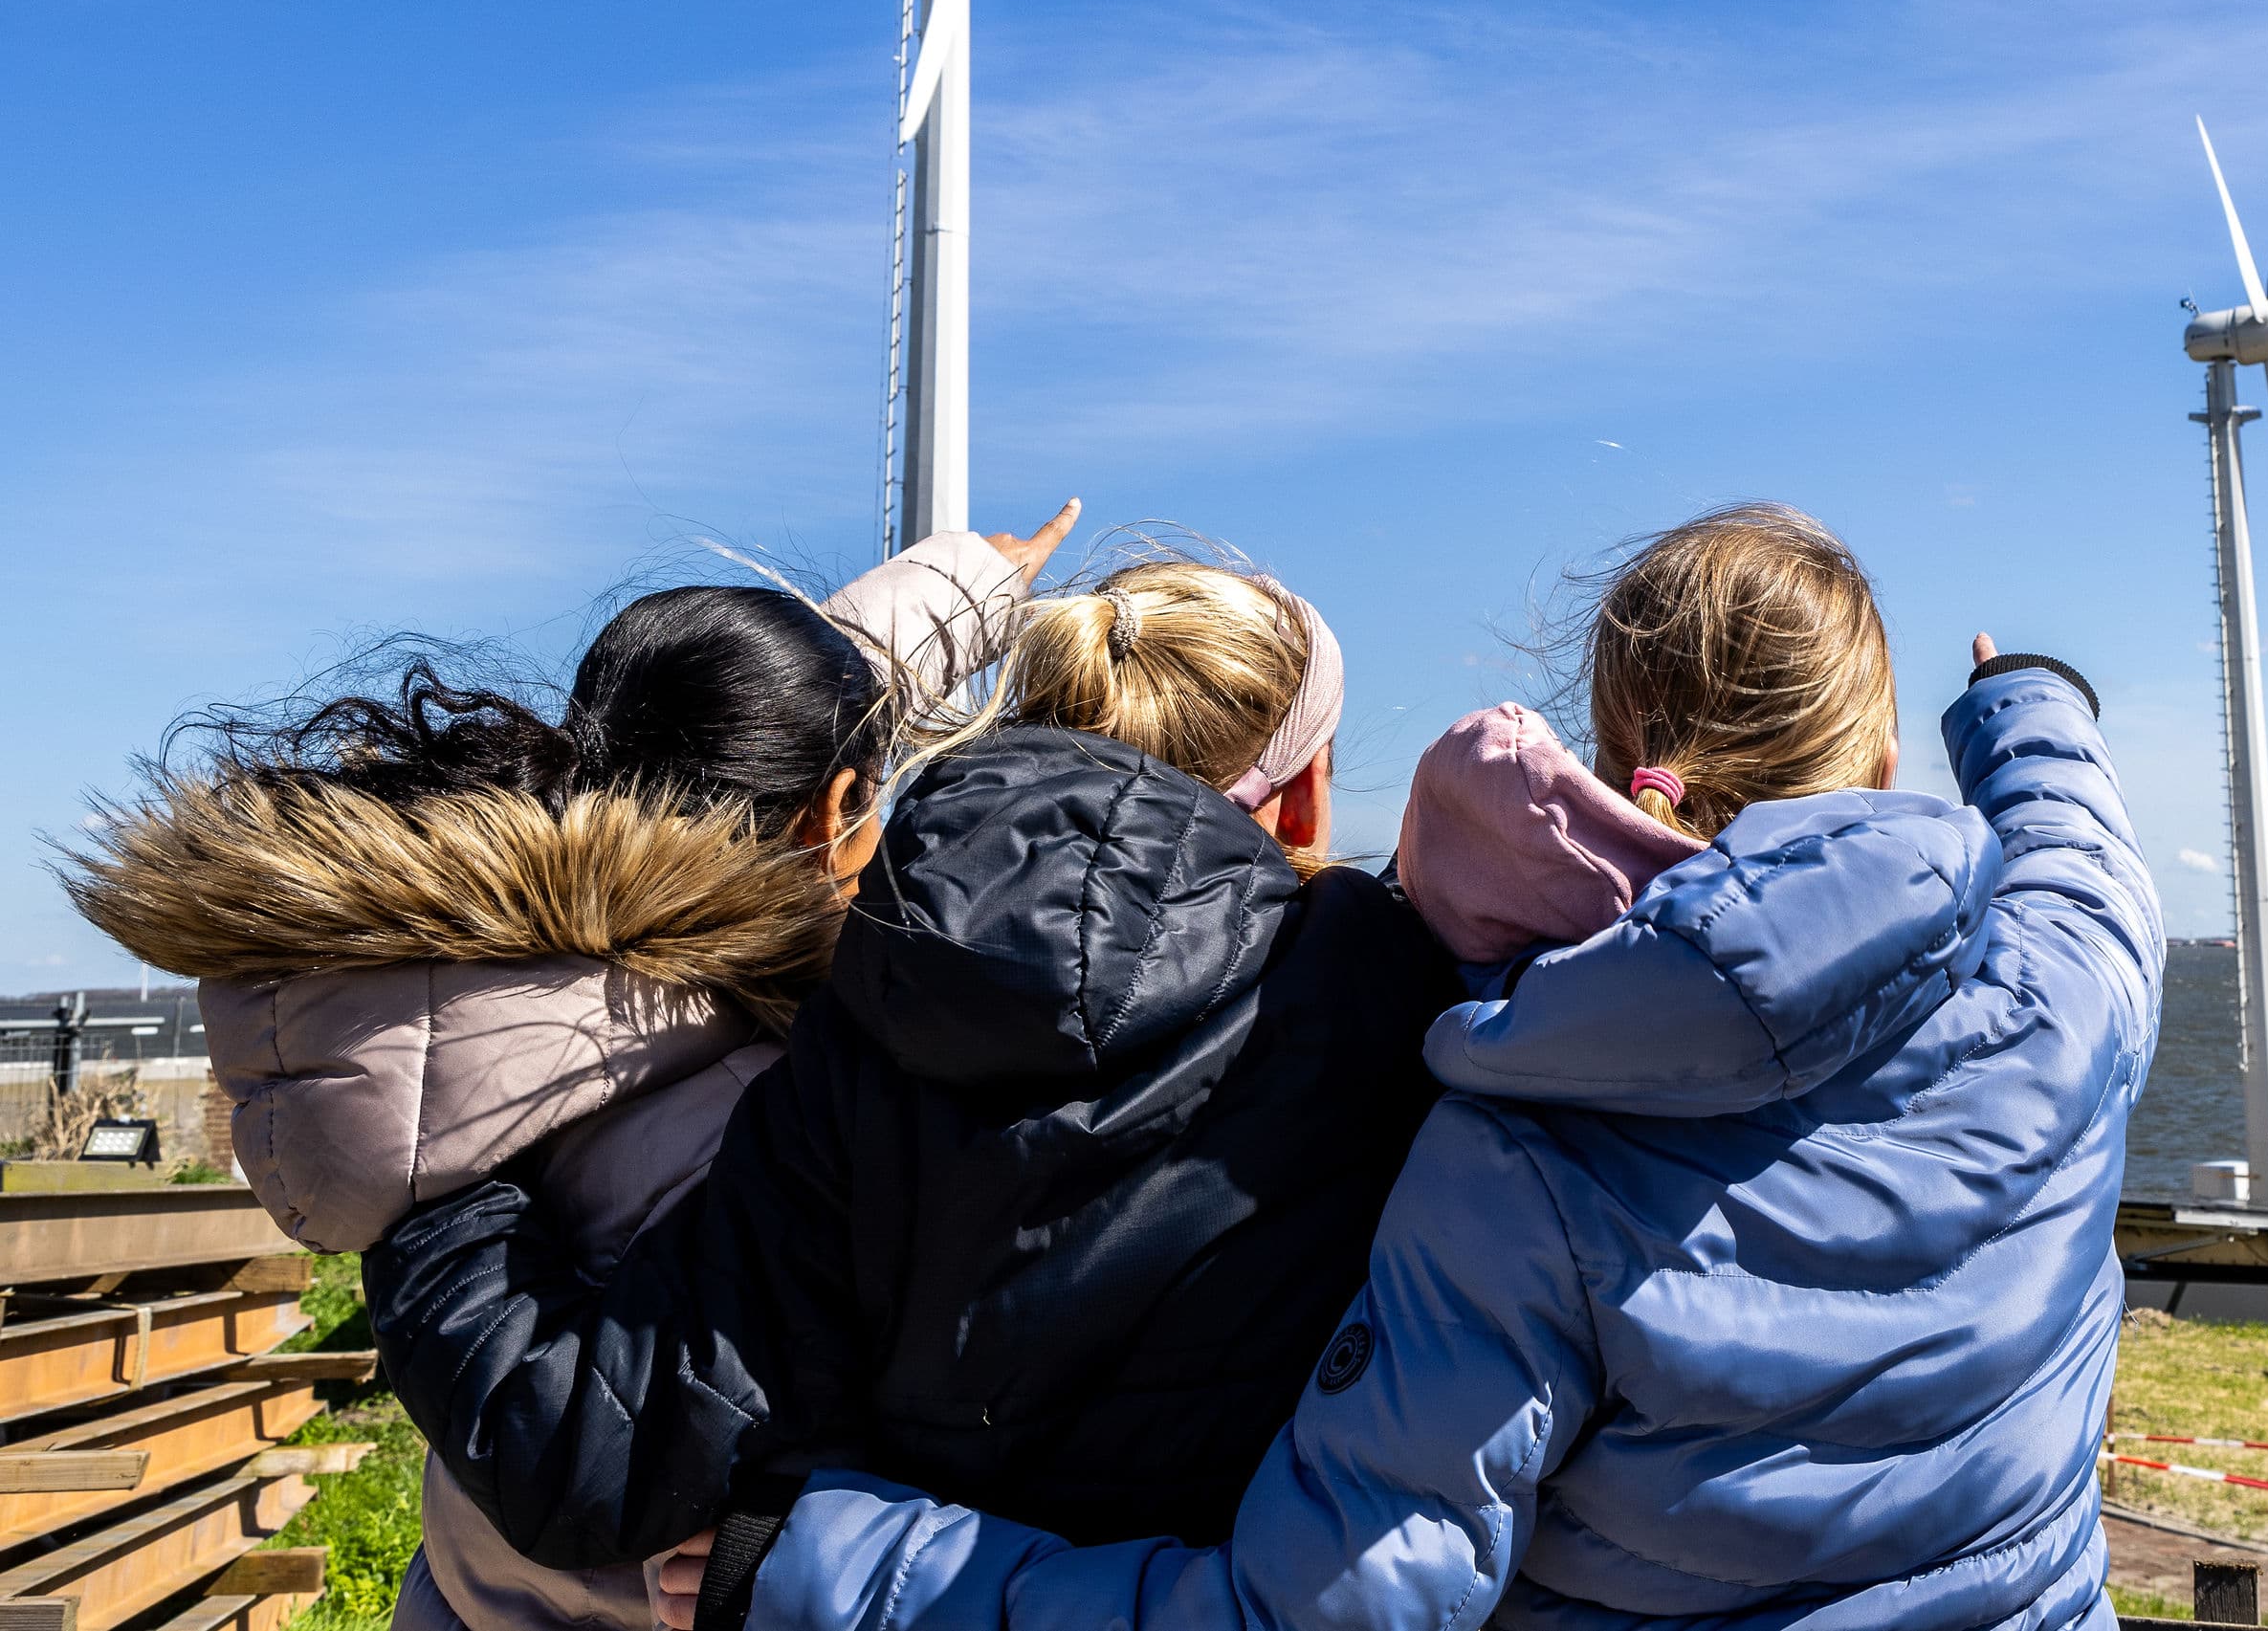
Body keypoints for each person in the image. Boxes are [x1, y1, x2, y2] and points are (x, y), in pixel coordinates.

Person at [683, 502, 2162, 1631]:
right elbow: (2084, 856)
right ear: (1883, 750)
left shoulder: (1521, 1137)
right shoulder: (2062, 996)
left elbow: (1323, 1606)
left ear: (1615, 745)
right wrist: (2028, 702)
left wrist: (827, 1563)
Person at [61, 507, 1078, 1631]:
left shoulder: (467, 993)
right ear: (836, 812)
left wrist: (959, 589)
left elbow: (733, 713)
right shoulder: (773, 1117)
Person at [363, 548, 1468, 1580]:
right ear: (1309, 790)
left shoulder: (870, 1006)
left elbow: (601, 1451)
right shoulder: (1414, 1017)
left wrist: (433, 1195)